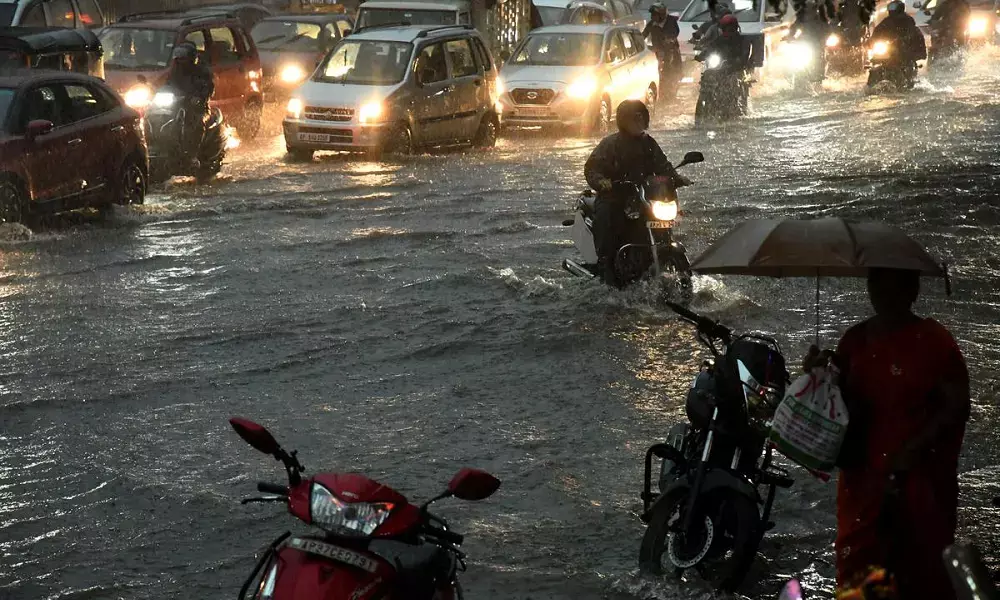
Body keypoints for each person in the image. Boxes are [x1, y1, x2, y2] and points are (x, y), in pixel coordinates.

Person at [803, 268, 970, 600]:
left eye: (892, 284)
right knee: (859, 571)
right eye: (875, 283)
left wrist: (914, 448)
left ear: (912, 291)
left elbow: (956, 407)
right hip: (863, 481)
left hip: (917, 480)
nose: (880, 292)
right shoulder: (854, 340)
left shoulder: (935, 342)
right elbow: (835, 404)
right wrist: (816, 373)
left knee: (920, 570)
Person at [583, 100, 681, 287]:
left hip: (643, 198)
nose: (639, 122)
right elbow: (592, 169)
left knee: (662, 223)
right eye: (634, 118)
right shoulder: (610, 144)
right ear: (623, 121)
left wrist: (676, 177)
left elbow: (663, 166)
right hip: (614, 196)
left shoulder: (649, 143)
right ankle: (607, 268)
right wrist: (602, 182)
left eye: (641, 117)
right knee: (607, 218)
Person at [166, 43, 215, 160]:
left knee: (197, 123)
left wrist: (199, 98)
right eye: (178, 58)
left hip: (198, 107)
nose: (180, 60)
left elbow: (209, 88)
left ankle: (194, 155)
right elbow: (167, 85)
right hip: (177, 105)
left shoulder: (202, 72)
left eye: (183, 57)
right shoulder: (175, 72)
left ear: (191, 58)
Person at [643, 3, 682, 101]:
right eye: (652, 15)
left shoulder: (671, 22)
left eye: (655, 15)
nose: (653, 17)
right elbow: (643, 35)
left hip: (671, 52)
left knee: (670, 70)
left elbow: (674, 33)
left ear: (661, 15)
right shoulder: (652, 24)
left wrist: (668, 40)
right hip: (657, 52)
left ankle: (670, 92)